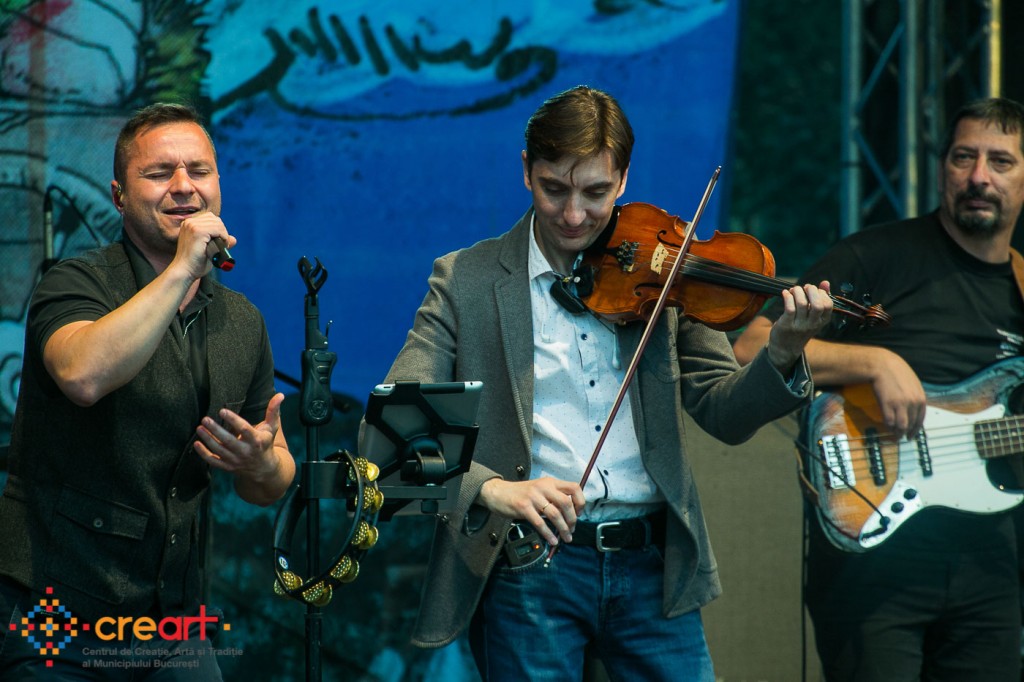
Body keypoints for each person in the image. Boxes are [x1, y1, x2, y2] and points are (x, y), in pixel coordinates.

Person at [372, 85, 832, 680]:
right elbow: (394, 432)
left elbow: (725, 413)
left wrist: (784, 351)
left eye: (595, 192)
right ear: (526, 170)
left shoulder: (668, 268)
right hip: (529, 564)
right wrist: (492, 489)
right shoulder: (466, 279)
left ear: (623, 179)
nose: (572, 215)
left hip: (652, 563)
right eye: (553, 189)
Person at [733, 97, 1024, 681]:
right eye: (964, 157)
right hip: (874, 558)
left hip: (991, 568)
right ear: (941, 167)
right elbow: (752, 345)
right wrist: (872, 361)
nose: (979, 177)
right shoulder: (879, 256)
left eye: (1001, 161)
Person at [0, 102, 295, 679]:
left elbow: (272, 477)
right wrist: (181, 269)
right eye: (159, 173)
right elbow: (83, 375)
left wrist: (259, 462)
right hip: (56, 608)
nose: (184, 186)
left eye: (199, 171)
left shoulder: (241, 321)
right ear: (118, 196)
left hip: (171, 620)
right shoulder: (75, 282)